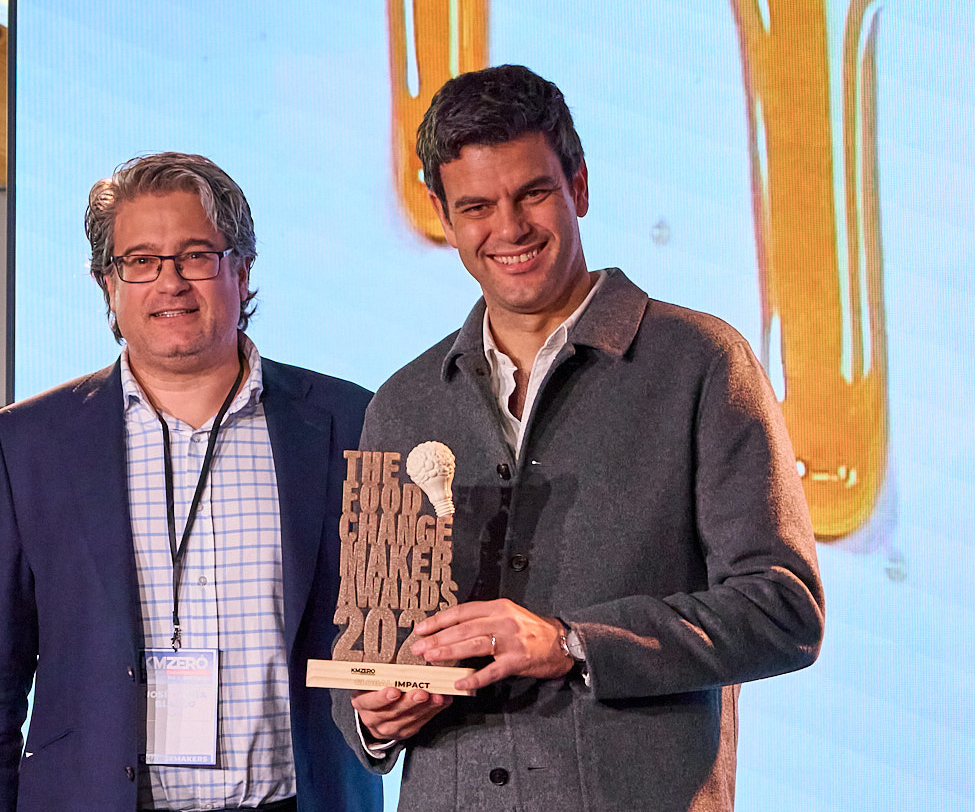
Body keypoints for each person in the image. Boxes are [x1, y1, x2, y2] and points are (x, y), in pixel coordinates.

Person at [334, 65, 824, 812]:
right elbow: (366, 652)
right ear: (441, 213)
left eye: (532, 193)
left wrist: (570, 641)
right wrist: (375, 713)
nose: (508, 229)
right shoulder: (401, 403)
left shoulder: (699, 362)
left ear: (580, 187)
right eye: (476, 206)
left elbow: (782, 611)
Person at [0, 152, 381, 812]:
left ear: (242, 268)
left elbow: (391, 631)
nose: (169, 282)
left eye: (196, 255)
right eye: (140, 261)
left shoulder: (351, 421)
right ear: (106, 285)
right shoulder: (29, 443)